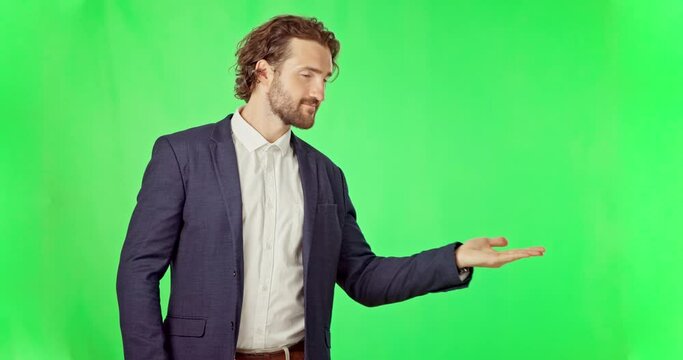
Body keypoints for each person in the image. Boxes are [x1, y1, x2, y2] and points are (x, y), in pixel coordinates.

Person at [116, 14, 546, 360]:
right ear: (263, 72)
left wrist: (453, 259)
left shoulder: (326, 176)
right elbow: (138, 272)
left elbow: (363, 277)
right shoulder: (182, 155)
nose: (320, 92)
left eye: (324, 79)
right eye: (307, 75)